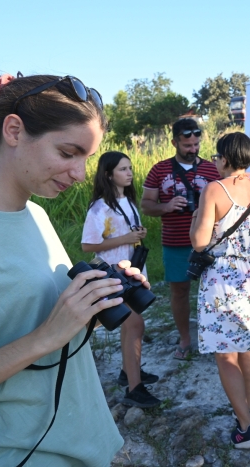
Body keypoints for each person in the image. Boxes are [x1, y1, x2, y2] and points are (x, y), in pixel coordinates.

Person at [0, 71, 149, 465]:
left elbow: (50, 324)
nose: (80, 174)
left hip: (84, 442)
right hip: (13, 453)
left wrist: (98, 304)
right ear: (14, 131)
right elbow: (44, 336)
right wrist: (44, 338)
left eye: (86, 158)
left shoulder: (35, 214)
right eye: (68, 153)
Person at [190, 132, 250, 449]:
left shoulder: (214, 189)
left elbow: (200, 242)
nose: (213, 161)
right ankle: (247, 410)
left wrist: (196, 220)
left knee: (226, 352)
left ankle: (246, 428)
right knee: (248, 347)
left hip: (224, 279)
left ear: (225, 158)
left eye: (215, 156)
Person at [81, 151, 161, 408]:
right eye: (123, 169)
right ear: (108, 174)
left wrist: (136, 234)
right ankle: (134, 389)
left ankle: (129, 371)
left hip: (131, 271)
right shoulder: (100, 206)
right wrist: (125, 239)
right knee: (135, 325)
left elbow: (124, 232)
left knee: (133, 325)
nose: (129, 173)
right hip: (114, 275)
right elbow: (87, 245)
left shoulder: (127, 200)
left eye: (130, 168)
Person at [141, 118, 220, 360]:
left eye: (196, 144)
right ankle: (185, 338)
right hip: (175, 242)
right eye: (187, 145)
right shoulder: (159, 169)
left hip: (210, 241)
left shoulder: (212, 169)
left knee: (216, 290)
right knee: (179, 290)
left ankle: (216, 336)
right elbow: (146, 206)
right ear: (174, 142)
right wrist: (166, 206)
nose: (193, 149)